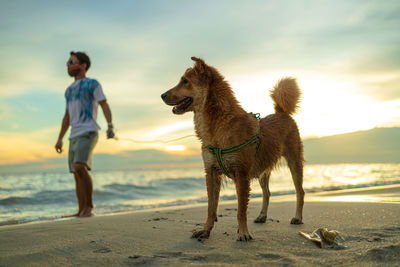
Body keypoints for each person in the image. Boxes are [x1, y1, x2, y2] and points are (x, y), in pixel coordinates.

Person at [55, 51, 114, 217]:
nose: (68, 65)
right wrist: (60, 138)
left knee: (80, 166)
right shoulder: (68, 90)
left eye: (71, 62)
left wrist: (110, 125)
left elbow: (103, 104)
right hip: (73, 134)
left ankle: (89, 207)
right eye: (67, 62)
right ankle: (81, 209)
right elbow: (67, 116)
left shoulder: (92, 84)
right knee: (76, 172)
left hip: (88, 131)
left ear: (83, 66)